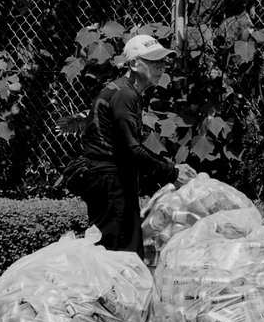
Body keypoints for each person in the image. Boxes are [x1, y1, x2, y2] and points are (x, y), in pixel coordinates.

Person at [75, 34, 196, 254]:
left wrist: (170, 169)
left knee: (120, 250)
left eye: (162, 61)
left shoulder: (125, 91)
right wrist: (171, 172)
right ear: (133, 64)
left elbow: (128, 148)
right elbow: (131, 150)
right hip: (110, 182)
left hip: (111, 180)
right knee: (121, 254)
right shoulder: (124, 95)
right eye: (153, 61)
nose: (161, 66)